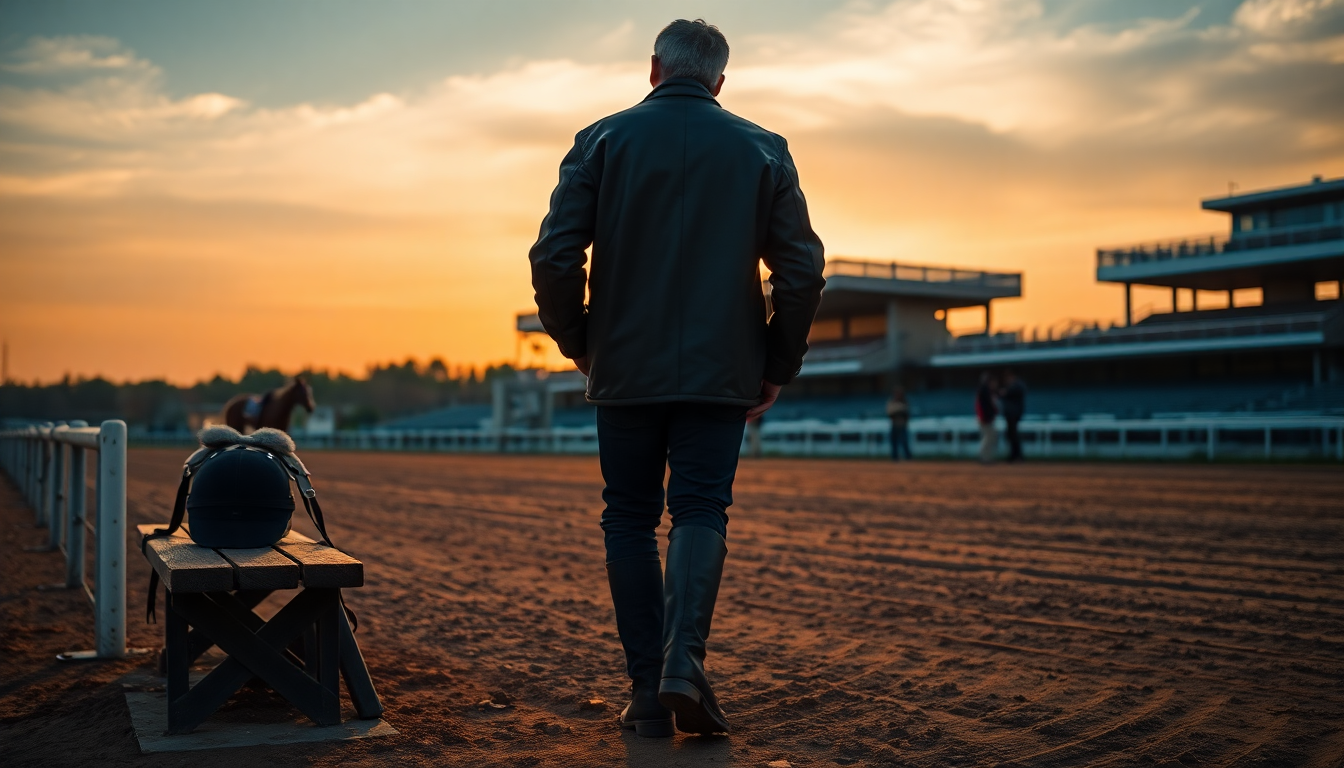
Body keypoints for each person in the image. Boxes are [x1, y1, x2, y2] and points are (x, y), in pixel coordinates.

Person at [527, 19, 825, 737]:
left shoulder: (601, 138)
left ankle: (644, 692)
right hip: (723, 372)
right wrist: (775, 362)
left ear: (654, 68)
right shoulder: (764, 148)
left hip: (625, 366)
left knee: (628, 517)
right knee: (699, 511)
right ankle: (682, 665)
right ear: (720, 80)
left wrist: (580, 343)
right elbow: (803, 271)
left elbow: (553, 256)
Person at [999, 369, 1026, 462]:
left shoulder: (1017, 385)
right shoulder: (1014, 385)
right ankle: (1013, 455)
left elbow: (1007, 393)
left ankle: (1017, 456)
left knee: (1013, 436)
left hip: (1013, 414)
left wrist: (1004, 392)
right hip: (1010, 414)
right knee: (1010, 435)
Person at [975, 371, 999, 464]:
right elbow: (984, 406)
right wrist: (984, 417)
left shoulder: (986, 390)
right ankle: (984, 458)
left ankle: (986, 458)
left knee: (989, 438)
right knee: (988, 438)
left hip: (986, 418)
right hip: (985, 419)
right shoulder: (984, 390)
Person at [885, 386, 911, 460]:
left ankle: (908, 457)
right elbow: (889, 412)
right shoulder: (891, 402)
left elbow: (906, 413)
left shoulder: (904, 401)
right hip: (894, 425)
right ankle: (895, 457)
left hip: (902, 425)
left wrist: (898, 411)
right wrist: (899, 411)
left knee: (904, 442)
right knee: (894, 443)